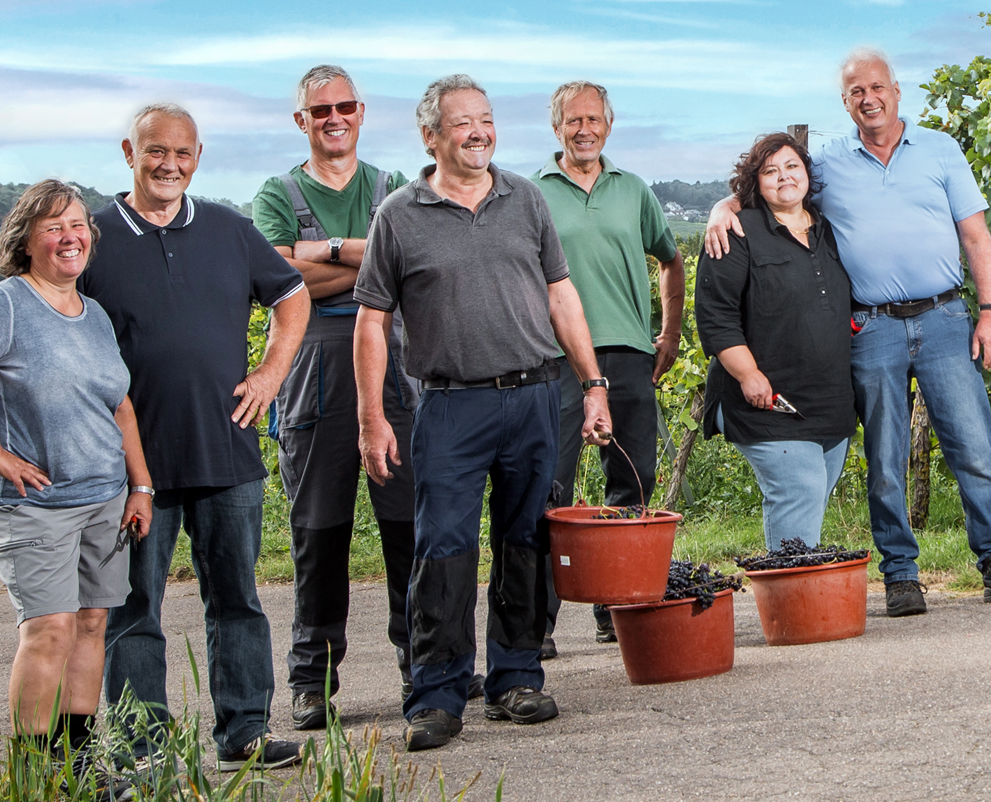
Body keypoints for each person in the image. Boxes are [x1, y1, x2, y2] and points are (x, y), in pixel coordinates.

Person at [702, 49, 991, 616]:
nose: (869, 98)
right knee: (885, 457)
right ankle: (901, 574)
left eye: (877, 87)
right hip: (872, 325)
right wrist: (722, 205)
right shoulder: (829, 161)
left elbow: (977, 238)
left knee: (974, 445)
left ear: (897, 91)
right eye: (856, 91)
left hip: (944, 317)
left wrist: (990, 311)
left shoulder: (940, 149)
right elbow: (778, 185)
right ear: (845, 102)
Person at [353, 75, 613, 752]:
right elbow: (372, 322)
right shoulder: (398, 216)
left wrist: (593, 383)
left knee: (526, 540)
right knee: (443, 546)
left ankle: (516, 679)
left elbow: (561, 295)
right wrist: (371, 418)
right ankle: (437, 696)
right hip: (449, 404)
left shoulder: (524, 198)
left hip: (534, 396)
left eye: (486, 119)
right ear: (430, 136)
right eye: (462, 122)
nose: (478, 132)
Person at [85, 105, 310, 769]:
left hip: (227, 449)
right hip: (132, 465)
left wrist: (271, 373)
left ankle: (245, 733)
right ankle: (142, 750)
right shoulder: (93, 236)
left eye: (182, 153)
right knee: (133, 609)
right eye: (156, 151)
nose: (169, 164)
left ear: (198, 156)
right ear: (129, 151)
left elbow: (292, 295)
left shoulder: (229, 228)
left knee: (237, 600)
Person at [0, 179, 152, 761]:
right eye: (54, 228)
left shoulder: (93, 313)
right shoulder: (4, 305)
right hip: (33, 505)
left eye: (77, 225)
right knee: (50, 628)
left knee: (91, 624)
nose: (70, 237)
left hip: (105, 501)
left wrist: (140, 486)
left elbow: (120, 406)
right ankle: (36, 773)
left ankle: (77, 766)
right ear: (25, 241)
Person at [250, 65, 415, 730]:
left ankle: (424, 664)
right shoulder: (277, 192)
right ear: (302, 121)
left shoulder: (391, 186)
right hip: (313, 371)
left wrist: (325, 252)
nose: (334, 118)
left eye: (344, 106)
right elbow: (278, 281)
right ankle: (311, 682)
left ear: (361, 112)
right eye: (320, 111)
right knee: (318, 533)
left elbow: (406, 268)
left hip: (395, 369)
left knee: (409, 527)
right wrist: (370, 262)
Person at [532, 80, 686, 647]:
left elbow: (671, 261)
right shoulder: (530, 193)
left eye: (593, 119)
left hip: (627, 351)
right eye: (573, 120)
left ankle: (615, 603)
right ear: (557, 128)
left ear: (609, 125)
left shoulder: (634, 190)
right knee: (549, 488)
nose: (585, 130)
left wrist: (669, 332)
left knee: (633, 479)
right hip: (554, 359)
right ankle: (536, 625)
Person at [697, 132, 858, 549]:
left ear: (807, 173)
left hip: (829, 404)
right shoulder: (736, 231)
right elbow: (716, 316)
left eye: (791, 166)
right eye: (770, 171)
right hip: (767, 402)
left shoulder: (831, 229)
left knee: (809, 506)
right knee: (800, 490)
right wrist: (747, 374)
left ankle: (795, 585)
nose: (784, 177)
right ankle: (795, 590)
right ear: (755, 182)